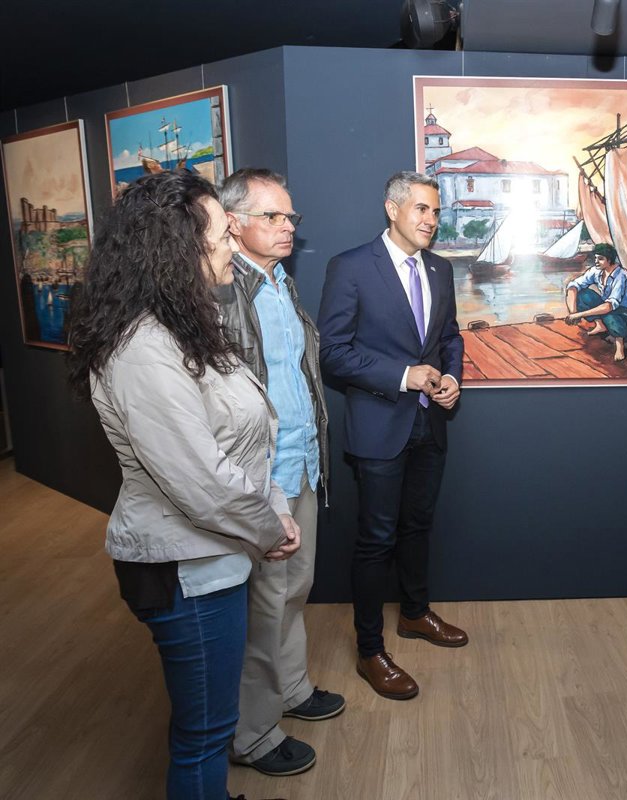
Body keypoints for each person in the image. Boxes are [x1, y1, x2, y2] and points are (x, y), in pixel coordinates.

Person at [68, 170, 301, 800]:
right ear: (176, 251)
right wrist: (270, 527)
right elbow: (202, 482)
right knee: (205, 735)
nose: (231, 245)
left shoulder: (185, 325)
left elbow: (247, 436)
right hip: (186, 567)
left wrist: (270, 509)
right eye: (222, 235)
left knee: (209, 724)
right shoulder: (142, 349)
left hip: (215, 554)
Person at [318, 170, 467, 702]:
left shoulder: (441, 269)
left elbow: (449, 338)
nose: (431, 220)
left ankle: (415, 614)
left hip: (430, 423)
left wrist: (452, 378)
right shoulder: (352, 267)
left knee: (418, 526)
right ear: (392, 208)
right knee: (376, 539)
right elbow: (332, 353)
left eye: (436, 211)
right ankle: (369, 650)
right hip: (379, 426)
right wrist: (404, 376)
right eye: (421, 209)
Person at [217, 168, 343, 777]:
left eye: (290, 216)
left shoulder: (280, 282)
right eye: (272, 216)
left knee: (295, 589)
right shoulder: (220, 292)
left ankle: (291, 689)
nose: (287, 226)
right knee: (264, 606)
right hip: (260, 476)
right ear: (232, 222)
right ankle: (253, 733)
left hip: (303, 464)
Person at [564, 242, 627, 361]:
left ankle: (619, 345)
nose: (596, 261)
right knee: (583, 294)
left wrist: (579, 315)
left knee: (609, 313)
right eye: (595, 258)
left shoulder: (621, 275)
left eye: (600, 259)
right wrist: (573, 312)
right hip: (609, 311)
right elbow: (573, 286)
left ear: (609, 260)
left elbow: (610, 306)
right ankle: (600, 325)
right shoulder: (597, 271)